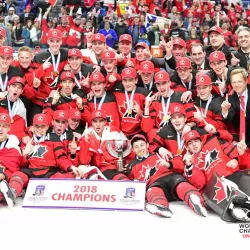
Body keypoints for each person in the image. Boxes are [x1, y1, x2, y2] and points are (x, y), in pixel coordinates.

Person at [4, 113, 80, 208]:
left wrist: (71, 166)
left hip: (49, 171)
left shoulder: (54, 138)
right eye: (37, 126)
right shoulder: (27, 140)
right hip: (31, 171)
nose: (40, 129)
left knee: (66, 176)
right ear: (33, 126)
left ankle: (61, 195)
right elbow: (22, 164)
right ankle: (12, 193)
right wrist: (25, 154)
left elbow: (61, 157)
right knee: (18, 175)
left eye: (42, 126)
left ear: (47, 126)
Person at [127, 134, 207, 218]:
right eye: (136, 147)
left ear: (147, 145)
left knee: (181, 183)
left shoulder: (161, 154)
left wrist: (169, 164)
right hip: (154, 183)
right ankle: (160, 206)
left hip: (171, 177)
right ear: (133, 150)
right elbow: (131, 184)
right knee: (152, 190)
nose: (140, 148)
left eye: (142, 145)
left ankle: (195, 200)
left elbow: (180, 163)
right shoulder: (131, 166)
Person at [183, 130, 250, 222]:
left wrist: (238, 158)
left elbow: (245, 164)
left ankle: (241, 205)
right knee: (226, 191)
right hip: (217, 187)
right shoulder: (191, 162)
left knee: (247, 177)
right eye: (190, 143)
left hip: (233, 175)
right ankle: (237, 208)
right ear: (188, 148)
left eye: (196, 141)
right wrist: (189, 166)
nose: (194, 144)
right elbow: (200, 183)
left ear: (201, 141)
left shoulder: (216, 144)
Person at [75, 110, 133, 181]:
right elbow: (84, 161)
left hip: (114, 168)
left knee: (123, 181)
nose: (98, 124)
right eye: (95, 121)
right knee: (81, 168)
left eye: (101, 121)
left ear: (105, 122)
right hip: (97, 169)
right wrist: (85, 142)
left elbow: (129, 152)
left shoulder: (115, 132)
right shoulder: (87, 134)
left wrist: (128, 164)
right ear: (91, 123)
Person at [0, 113, 23, 207]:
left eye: (4, 126)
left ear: (9, 128)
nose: (1, 129)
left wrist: (3, 175)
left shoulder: (14, 147)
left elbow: (14, 169)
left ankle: (10, 192)